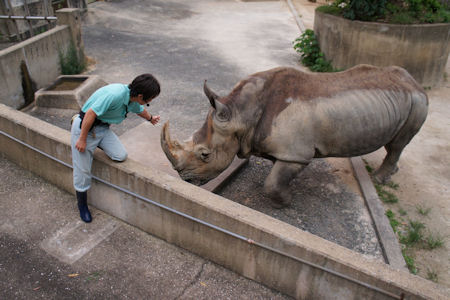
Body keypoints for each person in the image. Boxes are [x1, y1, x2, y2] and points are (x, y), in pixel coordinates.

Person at [71, 74, 161, 223]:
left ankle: (98, 143)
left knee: (120, 155)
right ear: (140, 96)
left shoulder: (131, 98)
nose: (150, 101)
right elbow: (90, 114)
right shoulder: (115, 95)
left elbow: (139, 110)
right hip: (85, 127)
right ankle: (82, 205)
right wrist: (81, 139)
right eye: (150, 99)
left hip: (102, 129)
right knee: (83, 170)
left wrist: (151, 119)